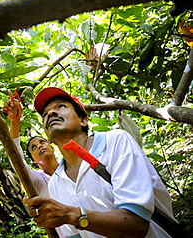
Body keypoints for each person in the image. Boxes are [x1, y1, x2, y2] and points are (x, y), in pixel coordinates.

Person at [24, 87, 176, 238]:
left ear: (83, 120)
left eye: (61, 106)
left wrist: (70, 214)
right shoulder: (56, 183)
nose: (50, 113)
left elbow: (137, 225)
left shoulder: (115, 141)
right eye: (45, 114)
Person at [1, 90, 59, 197]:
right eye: (33, 147)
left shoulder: (70, 166)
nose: (39, 146)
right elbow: (15, 156)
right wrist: (14, 122)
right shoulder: (37, 179)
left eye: (42, 142)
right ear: (33, 161)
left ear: (52, 147)